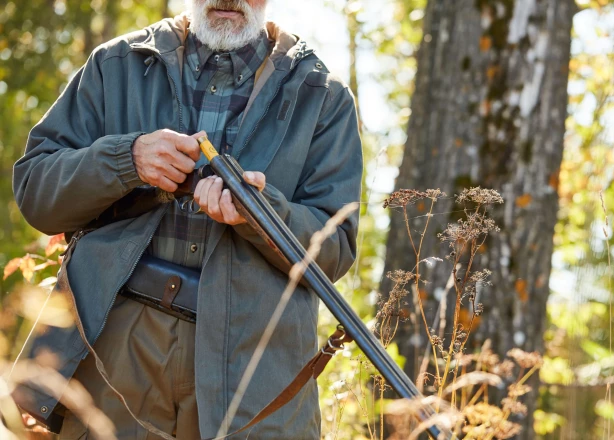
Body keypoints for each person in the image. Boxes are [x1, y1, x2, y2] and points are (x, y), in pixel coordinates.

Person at [12, 0, 362, 438]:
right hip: (114, 349)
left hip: (251, 371)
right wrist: (127, 159)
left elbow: (334, 254)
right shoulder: (113, 64)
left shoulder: (325, 97)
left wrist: (258, 212)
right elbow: (35, 192)